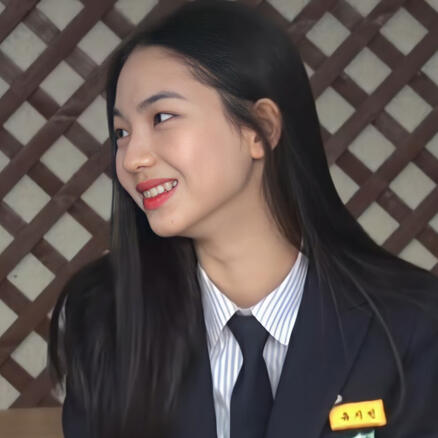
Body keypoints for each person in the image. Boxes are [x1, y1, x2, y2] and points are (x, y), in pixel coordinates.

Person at [48, 1, 438, 437]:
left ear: (261, 128)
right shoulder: (104, 318)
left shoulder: (414, 324)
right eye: (122, 132)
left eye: (162, 117)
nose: (131, 157)